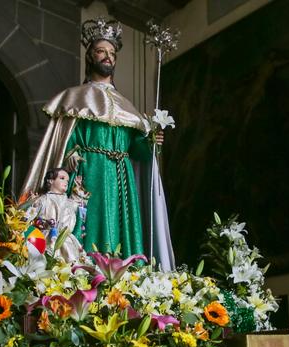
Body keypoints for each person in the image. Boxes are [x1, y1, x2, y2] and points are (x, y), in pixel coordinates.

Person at [18, 18, 174, 268]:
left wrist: (150, 142)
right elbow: (62, 142)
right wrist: (72, 155)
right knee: (86, 229)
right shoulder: (73, 99)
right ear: (90, 56)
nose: (108, 57)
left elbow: (136, 151)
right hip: (88, 173)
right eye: (101, 51)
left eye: (112, 53)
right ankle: (84, 272)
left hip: (121, 179)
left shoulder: (127, 106)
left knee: (120, 234)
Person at [25, 168, 84, 262]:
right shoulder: (43, 200)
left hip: (66, 240)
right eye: (62, 178)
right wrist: (42, 223)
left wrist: (78, 189)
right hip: (46, 238)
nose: (66, 182)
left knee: (71, 261)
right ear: (51, 180)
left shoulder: (69, 203)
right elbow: (28, 219)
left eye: (67, 180)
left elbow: (79, 204)